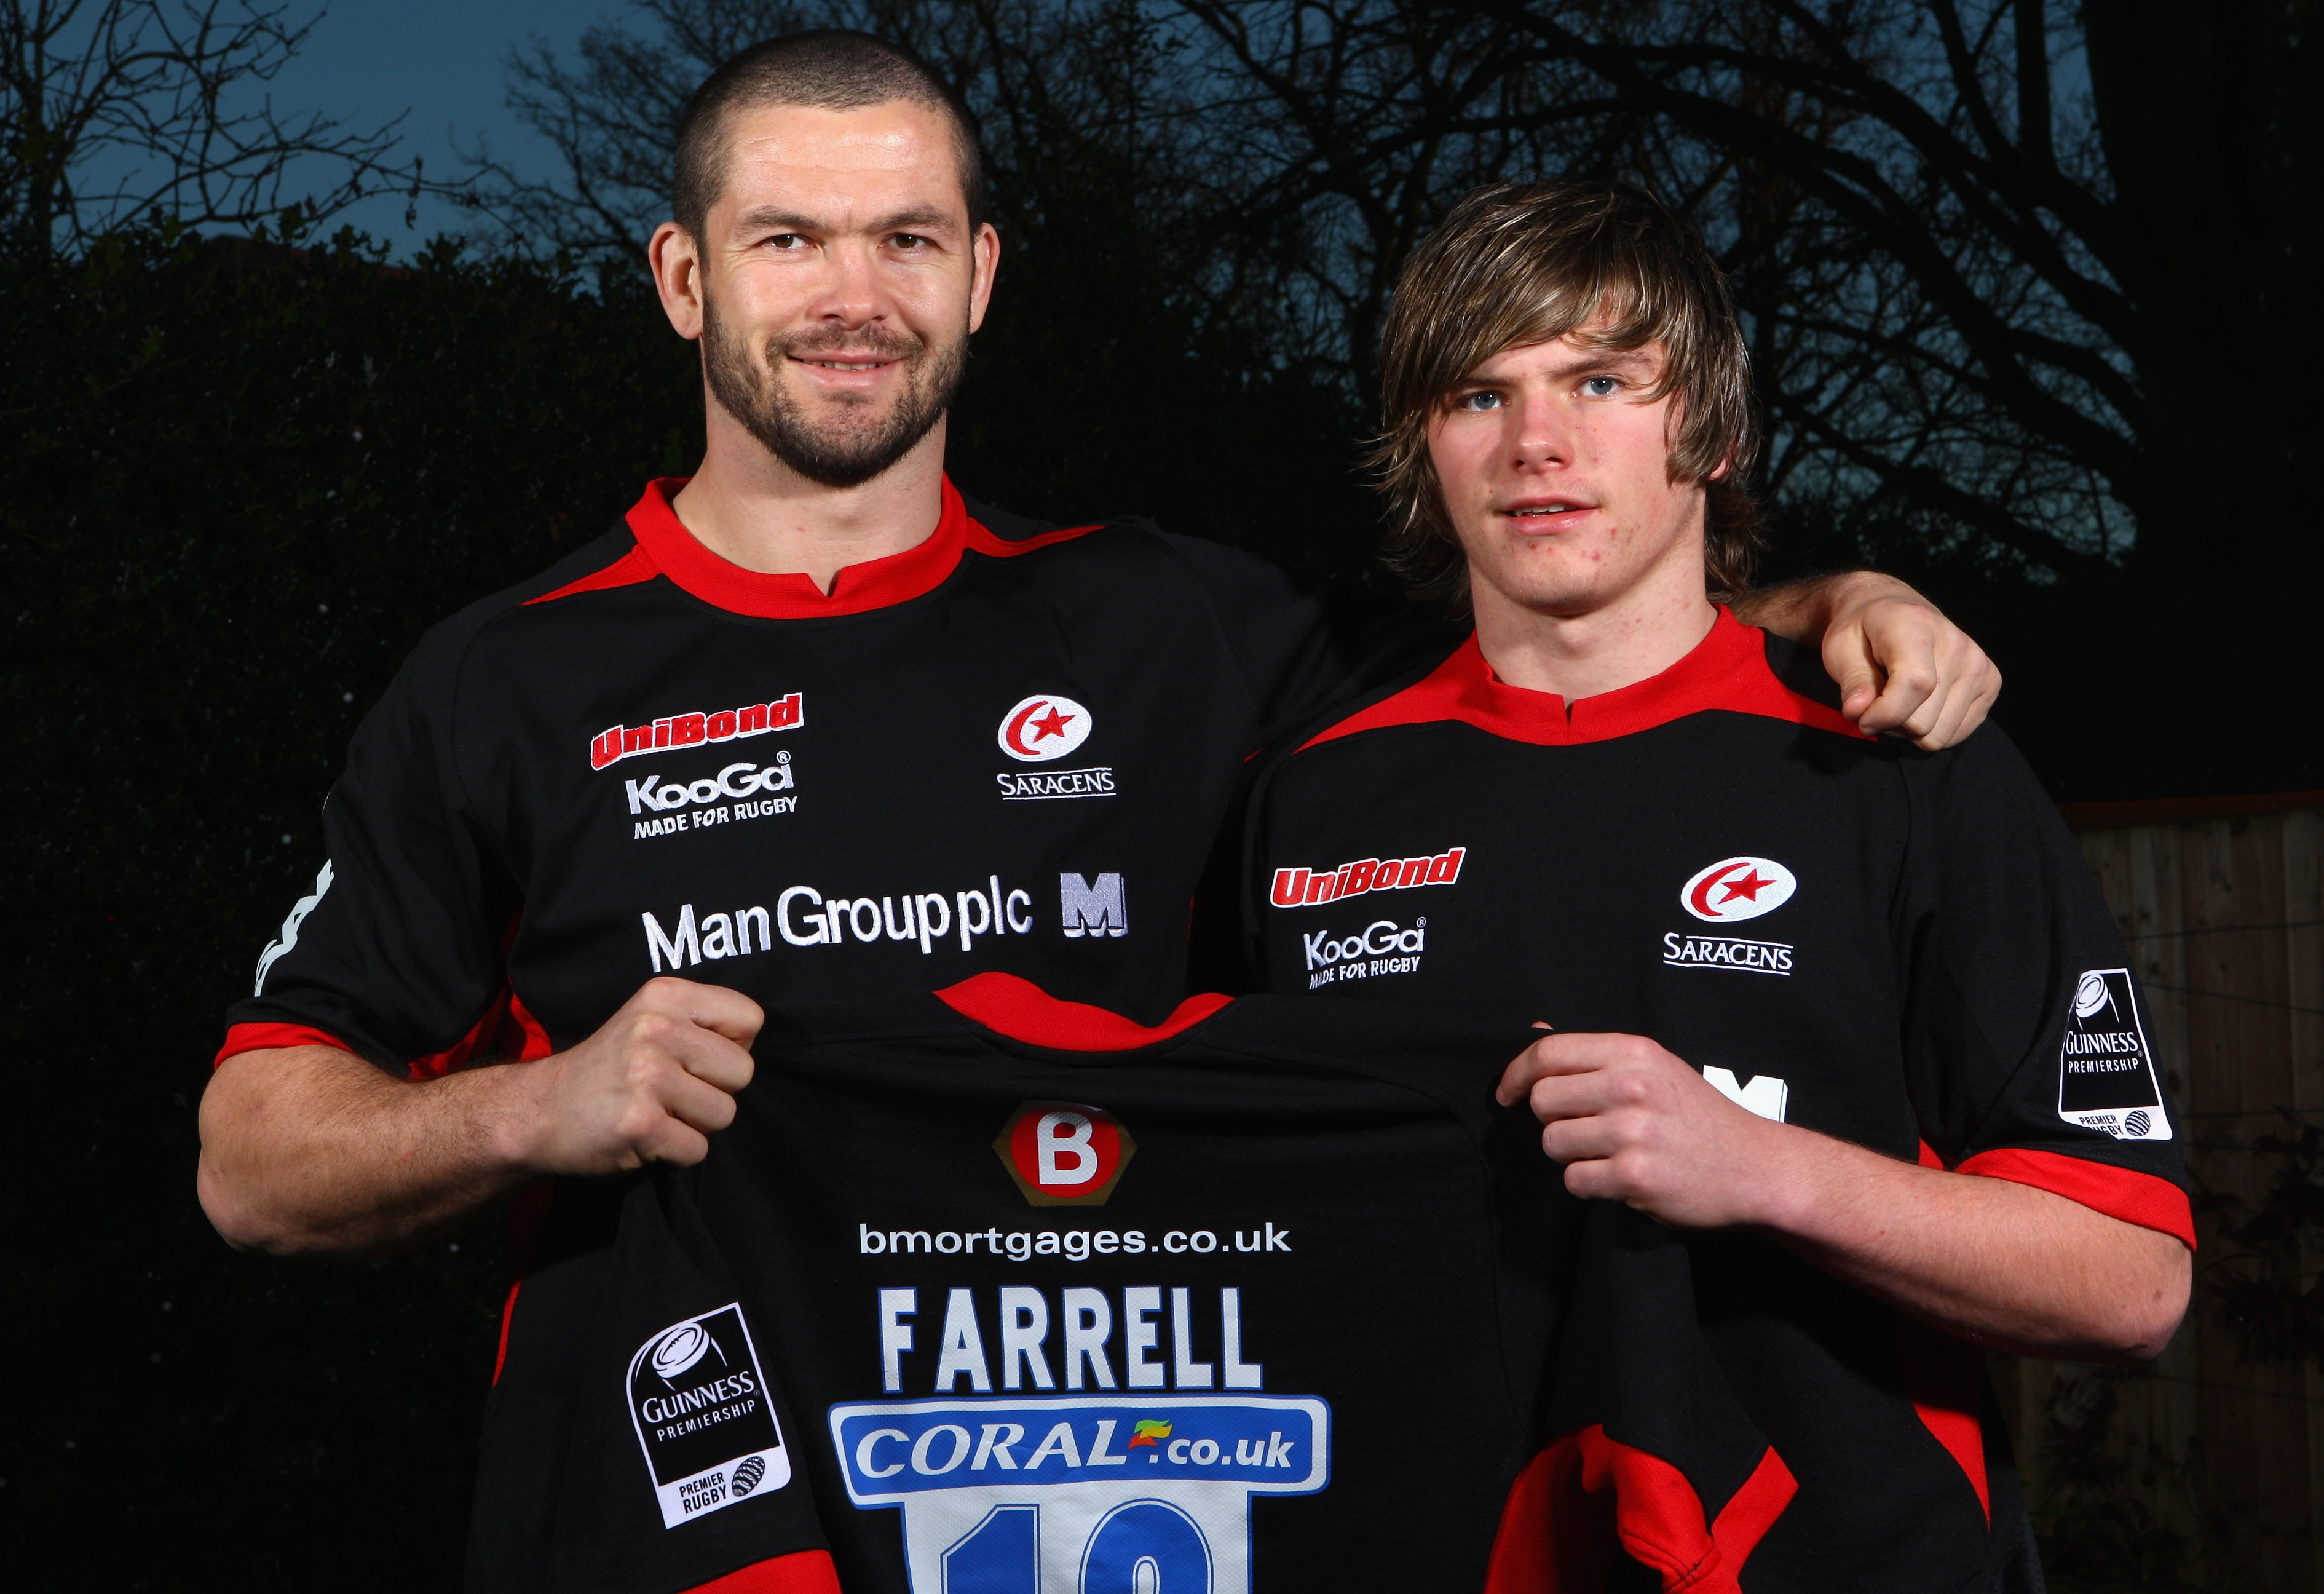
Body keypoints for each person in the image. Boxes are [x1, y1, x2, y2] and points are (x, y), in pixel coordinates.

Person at [196, 30, 1991, 1263]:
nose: (853, 298)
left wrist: (1822, 602)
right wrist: (540, 1107)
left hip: (1134, 1507)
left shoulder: (1168, 622)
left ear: (980, 275)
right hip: (693, 1523)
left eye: (906, 237)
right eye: (788, 240)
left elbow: (1551, 642)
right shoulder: (510, 677)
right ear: (684, 280)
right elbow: (254, 1159)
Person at [1238, 180, 2191, 1590]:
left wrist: (1758, 1170)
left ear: (1717, 430)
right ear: (1423, 449)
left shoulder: (1900, 759)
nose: (1537, 445)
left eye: (1603, 381)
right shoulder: (1316, 794)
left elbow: (2132, 1282)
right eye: (1477, 397)